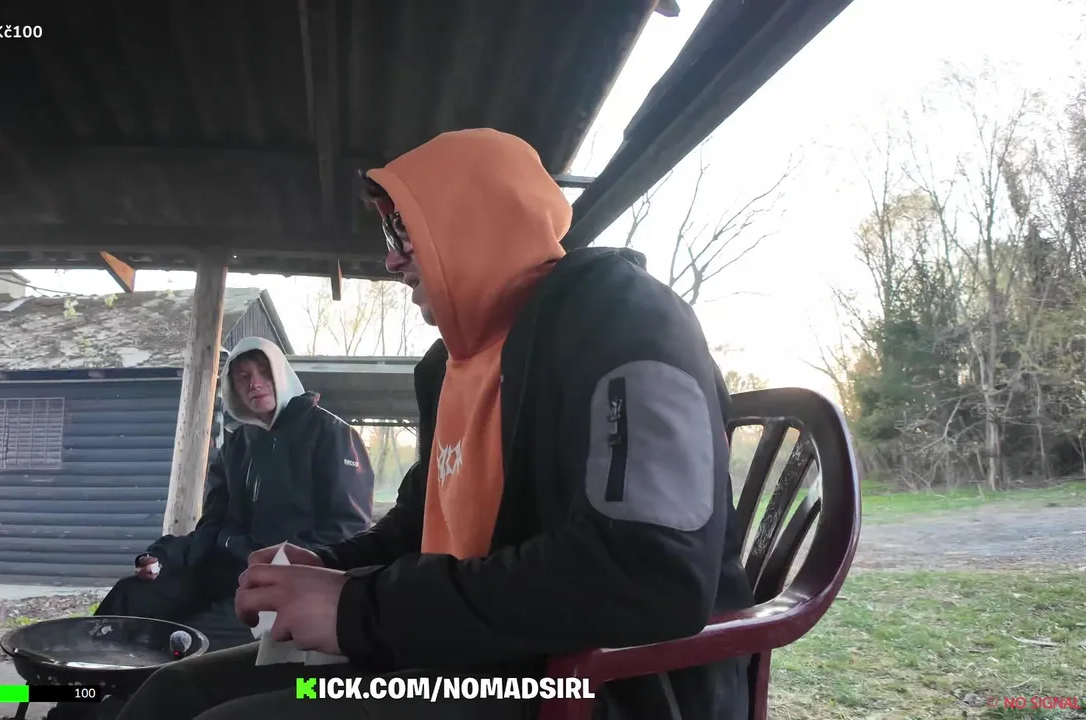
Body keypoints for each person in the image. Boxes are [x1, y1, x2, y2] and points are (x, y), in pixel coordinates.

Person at [113, 129, 755, 720]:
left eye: (404, 232)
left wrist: (358, 608)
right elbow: (418, 524)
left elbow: (648, 573)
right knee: (176, 692)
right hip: (463, 660)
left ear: (473, 220)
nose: (392, 262)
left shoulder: (620, 317)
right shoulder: (455, 366)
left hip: (583, 683)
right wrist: (329, 567)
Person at [0, 336, 376, 720]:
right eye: (242, 377)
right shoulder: (238, 445)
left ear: (281, 373)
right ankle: (66, 711)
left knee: (179, 651)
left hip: (275, 585)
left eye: (263, 372)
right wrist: (162, 557)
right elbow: (211, 526)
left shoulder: (330, 435)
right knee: (131, 598)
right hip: (219, 573)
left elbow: (346, 530)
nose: (254, 384)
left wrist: (272, 563)